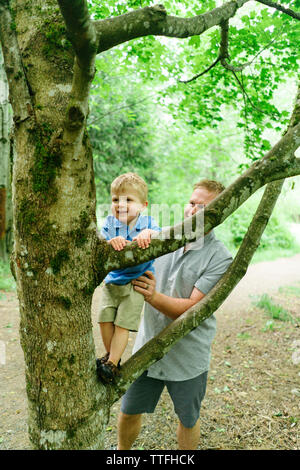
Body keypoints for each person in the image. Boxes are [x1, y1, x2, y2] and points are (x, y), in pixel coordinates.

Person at [117, 179, 233, 450]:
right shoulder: (162, 236)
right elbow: (128, 255)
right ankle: (122, 454)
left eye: (202, 207)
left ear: (219, 213)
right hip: (148, 344)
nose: (193, 211)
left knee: (188, 418)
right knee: (129, 408)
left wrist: (153, 296)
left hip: (188, 355)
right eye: (191, 203)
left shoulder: (220, 257)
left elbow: (192, 308)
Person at [96, 172, 160, 384]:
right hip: (112, 282)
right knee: (104, 319)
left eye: (128, 200)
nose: (120, 204)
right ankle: (110, 358)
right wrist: (111, 241)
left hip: (135, 283)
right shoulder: (110, 223)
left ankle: (112, 363)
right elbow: (102, 242)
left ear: (143, 205)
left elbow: (158, 234)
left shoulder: (148, 222)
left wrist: (147, 234)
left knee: (122, 324)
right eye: (115, 200)